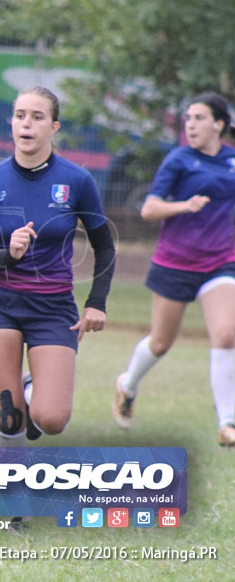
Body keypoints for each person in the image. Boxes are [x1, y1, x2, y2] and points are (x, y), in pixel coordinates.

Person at [0, 86, 115, 449]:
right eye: (19, 116)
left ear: (54, 127)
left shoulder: (77, 181)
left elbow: (104, 245)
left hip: (53, 307)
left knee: (52, 419)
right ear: (11, 124)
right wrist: (8, 256)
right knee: (9, 417)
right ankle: (13, 503)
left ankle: (31, 387)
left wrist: (97, 302)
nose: (26, 123)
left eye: (37, 116)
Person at [112, 92, 235, 446]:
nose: (190, 125)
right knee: (162, 342)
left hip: (220, 262)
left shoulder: (231, 161)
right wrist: (184, 206)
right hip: (175, 261)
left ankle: (227, 424)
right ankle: (128, 384)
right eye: (187, 119)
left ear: (219, 124)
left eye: (198, 118)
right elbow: (149, 210)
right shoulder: (179, 159)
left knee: (226, 334)